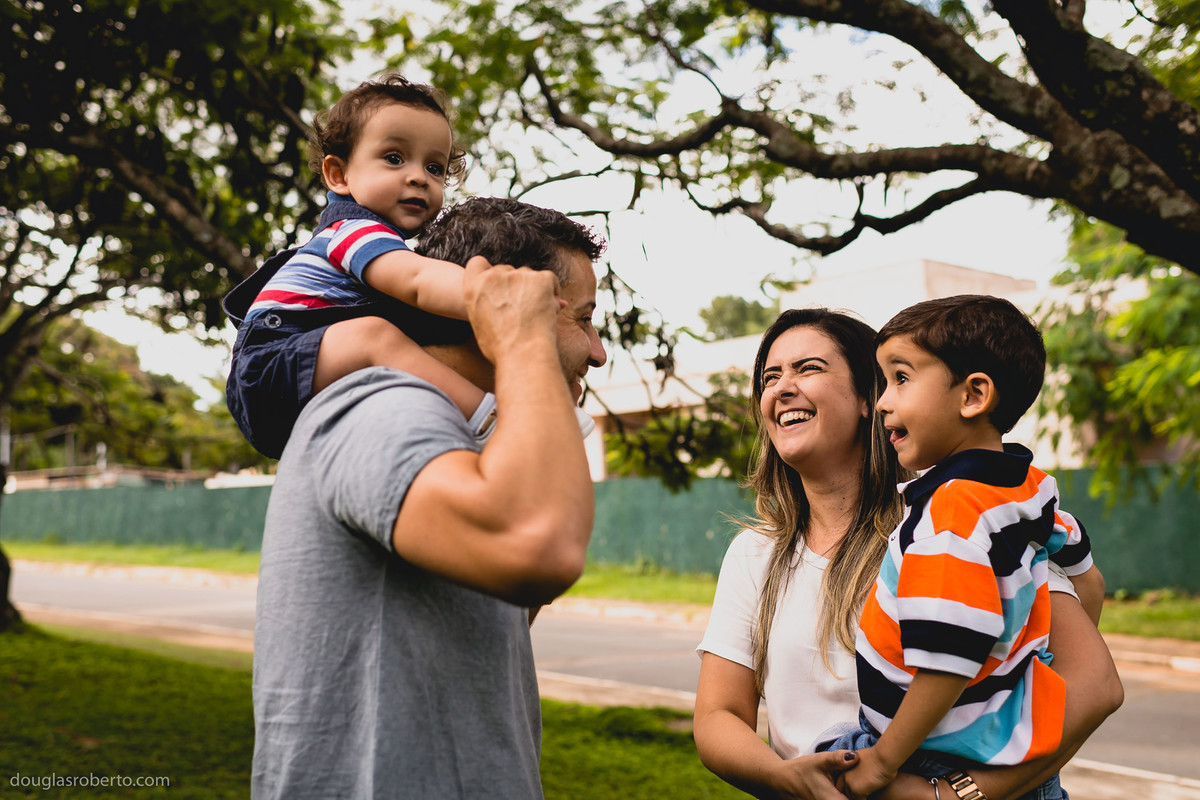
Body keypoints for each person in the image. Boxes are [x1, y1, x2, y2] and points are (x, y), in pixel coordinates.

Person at [250, 196, 608, 799]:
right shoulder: (379, 406)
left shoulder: (459, 448)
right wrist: (523, 346)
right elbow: (536, 549)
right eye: (585, 318)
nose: (598, 351)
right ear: (504, 304)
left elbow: (512, 605)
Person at [693, 307, 1123, 800]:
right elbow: (717, 716)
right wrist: (784, 777)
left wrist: (952, 794)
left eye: (808, 368)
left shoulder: (959, 521)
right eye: (770, 377)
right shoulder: (754, 555)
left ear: (866, 398)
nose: (781, 387)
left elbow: (1095, 689)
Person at [815, 296, 1105, 800]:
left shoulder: (951, 515)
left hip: (930, 756)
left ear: (973, 396)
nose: (883, 400)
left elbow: (948, 656)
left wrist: (883, 762)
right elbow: (1089, 578)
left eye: (901, 378)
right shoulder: (1027, 488)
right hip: (995, 748)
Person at [226, 73, 512, 459]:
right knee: (376, 336)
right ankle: (492, 421)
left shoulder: (374, 240)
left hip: (300, 384)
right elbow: (417, 281)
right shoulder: (354, 230)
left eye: (435, 168)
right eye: (394, 158)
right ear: (339, 175)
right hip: (271, 367)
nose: (418, 177)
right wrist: (498, 294)